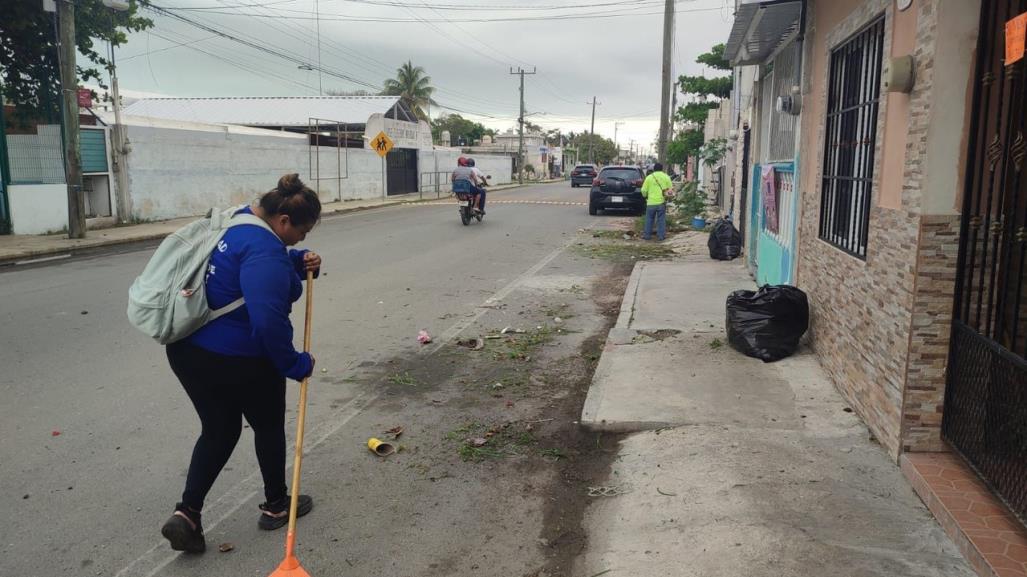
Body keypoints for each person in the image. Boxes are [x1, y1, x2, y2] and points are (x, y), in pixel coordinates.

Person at [160, 173, 322, 554]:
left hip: (188, 350)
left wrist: (297, 260)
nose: (302, 238)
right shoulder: (265, 248)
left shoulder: (237, 220)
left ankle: (187, 514)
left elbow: (242, 272)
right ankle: (277, 507)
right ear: (283, 222)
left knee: (218, 430)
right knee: (266, 425)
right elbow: (267, 322)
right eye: (302, 231)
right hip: (237, 357)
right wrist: (295, 364)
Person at [640, 162, 673, 241]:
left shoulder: (649, 178)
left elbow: (643, 190)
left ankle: (647, 236)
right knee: (661, 220)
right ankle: (661, 236)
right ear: (662, 169)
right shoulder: (666, 177)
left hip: (651, 202)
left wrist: (646, 196)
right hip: (661, 202)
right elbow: (670, 190)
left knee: (649, 219)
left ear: (654, 169)